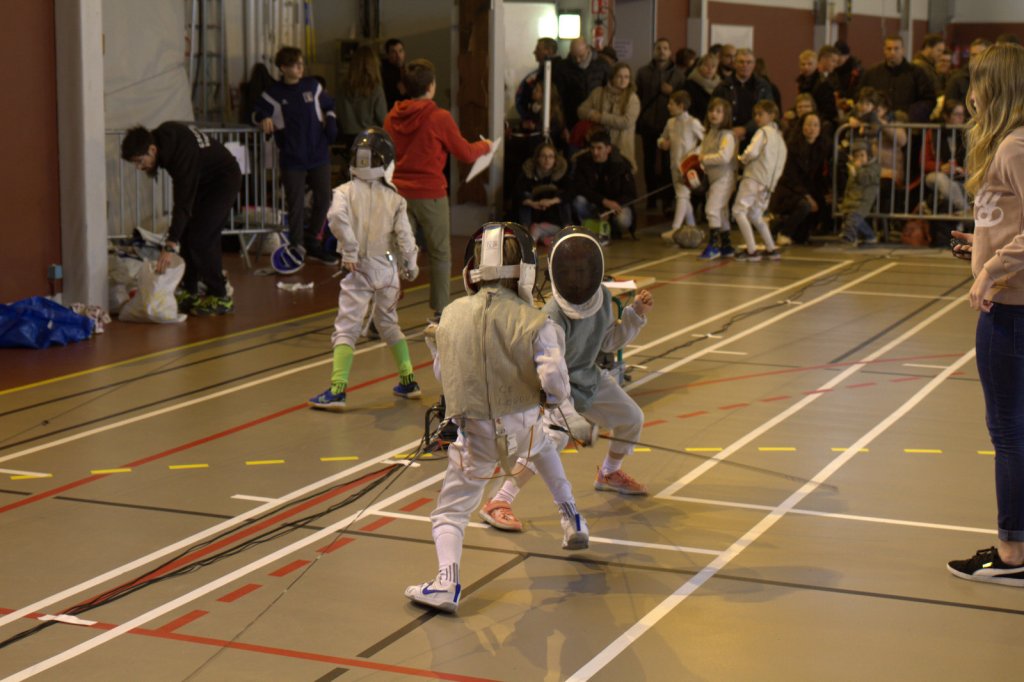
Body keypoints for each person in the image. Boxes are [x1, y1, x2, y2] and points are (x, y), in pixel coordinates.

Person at [404, 222, 589, 613]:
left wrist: (440, 350)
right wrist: (550, 400)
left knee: (451, 512)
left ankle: (446, 583)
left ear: (472, 269)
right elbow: (555, 381)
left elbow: (446, 377)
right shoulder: (535, 320)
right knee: (542, 446)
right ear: (525, 269)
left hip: (477, 436)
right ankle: (572, 517)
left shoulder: (451, 315)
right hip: (524, 424)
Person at [479, 227, 654, 533]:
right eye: (569, 271)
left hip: (589, 377)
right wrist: (569, 418)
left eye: (582, 270)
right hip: (556, 389)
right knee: (550, 442)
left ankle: (609, 473)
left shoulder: (602, 298)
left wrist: (635, 315)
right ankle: (498, 501)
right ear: (556, 272)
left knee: (632, 418)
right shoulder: (552, 315)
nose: (576, 278)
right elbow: (551, 373)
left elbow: (608, 342)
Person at [947, 42, 1024, 587]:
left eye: (976, 83)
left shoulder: (1015, 146)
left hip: (1010, 313)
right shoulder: (1011, 145)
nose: (970, 95)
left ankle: (1012, 553)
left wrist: (990, 268)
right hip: (1012, 305)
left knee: (1009, 433)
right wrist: (981, 246)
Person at [308, 129, 421, 411]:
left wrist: (349, 249)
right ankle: (408, 380)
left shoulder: (344, 192)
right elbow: (405, 238)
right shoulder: (395, 198)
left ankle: (337, 390)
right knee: (388, 323)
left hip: (359, 268)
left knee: (347, 327)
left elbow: (336, 217)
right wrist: (410, 265)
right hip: (388, 270)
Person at [384, 58, 491, 320]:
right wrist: (486, 146)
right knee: (439, 253)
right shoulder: (439, 117)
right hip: (430, 194)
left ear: (404, 86)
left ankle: (384, 310)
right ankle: (441, 311)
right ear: (431, 86)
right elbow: (465, 152)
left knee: (395, 254)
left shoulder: (391, 117)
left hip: (397, 194)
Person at [121, 123, 241, 316]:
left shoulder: (179, 153)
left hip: (223, 180)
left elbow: (183, 204)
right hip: (204, 181)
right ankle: (190, 289)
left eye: (140, 161)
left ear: (152, 150)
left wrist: (170, 245)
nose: (139, 167)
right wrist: (176, 236)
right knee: (186, 233)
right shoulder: (164, 141)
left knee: (202, 237)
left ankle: (220, 296)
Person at [254, 46, 339, 265]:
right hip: (292, 157)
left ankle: (313, 241)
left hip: (318, 153)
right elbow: (256, 112)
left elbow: (329, 104)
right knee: (295, 203)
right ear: (283, 68)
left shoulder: (313, 86)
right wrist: (263, 118)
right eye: (295, 65)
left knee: (325, 198)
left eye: (301, 63)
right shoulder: (273, 94)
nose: (300, 68)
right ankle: (296, 245)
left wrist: (331, 122)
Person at [732, 100, 786, 261]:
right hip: (768, 184)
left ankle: (751, 251)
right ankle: (771, 248)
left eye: (760, 114)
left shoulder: (763, 132)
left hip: (754, 177)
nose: (757, 118)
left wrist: (741, 159)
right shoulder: (780, 138)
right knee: (756, 214)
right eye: (755, 114)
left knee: (739, 211)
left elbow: (752, 152)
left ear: (772, 115)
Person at [636, 38, 686, 209]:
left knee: (668, 164)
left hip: (670, 125)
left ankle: (667, 199)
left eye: (665, 48)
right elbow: (638, 97)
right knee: (648, 163)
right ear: (654, 51)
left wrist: (672, 92)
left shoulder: (678, 75)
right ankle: (651, 198)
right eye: (659, 48)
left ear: (670, 52)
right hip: (648, 123)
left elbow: (684, 99)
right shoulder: (643, 72)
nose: (662, 51)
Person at [771, 112, 831, 245]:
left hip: (809, 189)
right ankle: (784, 233)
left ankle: (781, 226)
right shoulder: (791, 147)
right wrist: (808, 196)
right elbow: (791, 177)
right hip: (789, 190)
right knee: (805, 205)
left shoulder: (822, 147)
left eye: (816, 125)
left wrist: (826, 192)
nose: (812, 129)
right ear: (802, 126)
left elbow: (820, 176)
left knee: (801, 236)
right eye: (808, 125)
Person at [571, 128, 638, 241]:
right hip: (594, 203)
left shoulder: (622, 164)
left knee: (623, 220)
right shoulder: (583, 162)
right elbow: (581, 187)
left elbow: (630, 193)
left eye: (599, 148)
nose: (595, 152)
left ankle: (613, 230)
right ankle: (590, 228)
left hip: (616, 205)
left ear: (608, 149)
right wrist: (603, 202)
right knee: (578, 201)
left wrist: (613, 207)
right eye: (592, 148)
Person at [657, 90, 705, 240]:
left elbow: (706, 141)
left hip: (688, 168)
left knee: (682, 195)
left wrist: (694, 156)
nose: (668, 106)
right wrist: (662, 143)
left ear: (681, 105)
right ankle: (692, 229)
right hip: (674, 166)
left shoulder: (693, 122)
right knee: (683, 196)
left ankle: (675, 229)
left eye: (671, 104)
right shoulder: (670, 123)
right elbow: (662, 138)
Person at [578, 61, 641, 170]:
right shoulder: (598, 92)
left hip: (621, 147)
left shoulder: (632, 98)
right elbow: (581, 110)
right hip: (597, 146)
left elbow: (626, 122)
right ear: (612, 77)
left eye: (626, 77)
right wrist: (592, 114)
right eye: (619, 76)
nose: (623, 80)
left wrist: (601, 117)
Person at [697, 97, 739, 260]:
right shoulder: (710, 133)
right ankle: (726, 246)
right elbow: (700, 151)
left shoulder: (727, 135)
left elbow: (724, 157)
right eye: (711, 110)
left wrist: (704, 159)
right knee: (721, 212)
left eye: (718, 111)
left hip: (725, 177)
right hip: (713, 178)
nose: (713, 114)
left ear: (725, 115)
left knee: (712, 209)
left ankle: (714, 246)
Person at [858, 35, 935, 122]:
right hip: (877, 123)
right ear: (884, 50)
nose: (892, 52)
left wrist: (911, 114)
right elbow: (860, 96)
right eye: (889, 49)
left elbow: (929, 99)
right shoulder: (872, 74)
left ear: (903, 50)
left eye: (896, 48)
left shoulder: (916, 73)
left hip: (908, 123)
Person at [712, 48, 775, 150]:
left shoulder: (763, 87)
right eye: (741, 62)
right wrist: (730, 130)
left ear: (754, 65)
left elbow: (769, 112)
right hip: (728, 137)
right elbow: (714, 110)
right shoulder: (723, 86)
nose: (745, 65)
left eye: (749, 62)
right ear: (735, 64)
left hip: (757, 137)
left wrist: (745, 129)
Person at [514, 141, 572, 243]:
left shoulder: (561, 174)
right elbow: (517, 192)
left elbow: (571, 191)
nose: (547, 160)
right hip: (534, 213)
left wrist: (552, 201)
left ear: (555, 159)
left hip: (555, 216)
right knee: (525, 198)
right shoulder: (528, 172)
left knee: (563, 198)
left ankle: (566, 231)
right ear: (537, 158)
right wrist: (532, 203)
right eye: (543, 156)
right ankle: (525, 232)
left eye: (550, 157)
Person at [555, 38, 612, 135]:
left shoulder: (602, 66)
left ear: (587, 49)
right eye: (574, 56)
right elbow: (559, 97)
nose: (578, 60)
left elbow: (609, 91)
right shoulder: (563, 67)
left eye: (581, 56)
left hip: (596, 115)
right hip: (572, 116)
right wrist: (563, 124)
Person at [336, 46, 387, 152]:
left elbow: (339, 114)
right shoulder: (375, 88)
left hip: (348, 137)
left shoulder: (342, 86)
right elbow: (383, 118)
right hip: (371, 138)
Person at [923, 98, 967, 214]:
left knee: (957, 185)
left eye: (962, 114)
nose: (961, 118)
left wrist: (964, 170)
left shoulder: (966, 135)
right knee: (941, 179)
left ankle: (962, 215)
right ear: (946, 117)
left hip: (960, 175)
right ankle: (965, 211)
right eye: (957, 114)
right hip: (936, 173)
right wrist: (941, 167)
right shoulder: (933, 133)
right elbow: (924, 163)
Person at [839, 141, 880, 245]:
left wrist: (857, 169)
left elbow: (864, 179)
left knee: (853, 219)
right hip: (852, 200)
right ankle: (869, 235)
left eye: (862, 155)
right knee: (853, 219)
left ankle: (849, 236)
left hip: (863, 201)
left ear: (868, 155)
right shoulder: (855, 168)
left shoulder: (873, 168)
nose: (859, 158)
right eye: (857, 156)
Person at [514, 38, 560, 124]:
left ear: (548, 51)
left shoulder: (555, 72)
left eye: (538, 49)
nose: (534, 52)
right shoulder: (540, 72)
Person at [945, 38, 991, 120]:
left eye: (981, 54)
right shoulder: (957, 79)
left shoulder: (994, 79)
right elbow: (949, 109)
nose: (977, 58)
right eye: (973, 55)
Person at [683, 53, 721, 122]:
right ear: (699, 66)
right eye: (706, 65)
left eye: (713, 66)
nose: (710, 69)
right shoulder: (690, 84)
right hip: (695, 122)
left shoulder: (720, 85)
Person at [381, 38, 407, 110]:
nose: (398, 55)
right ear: (388, 55)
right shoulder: (385, 73)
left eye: (400, 51)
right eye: (393, 52)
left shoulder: (407, 70)